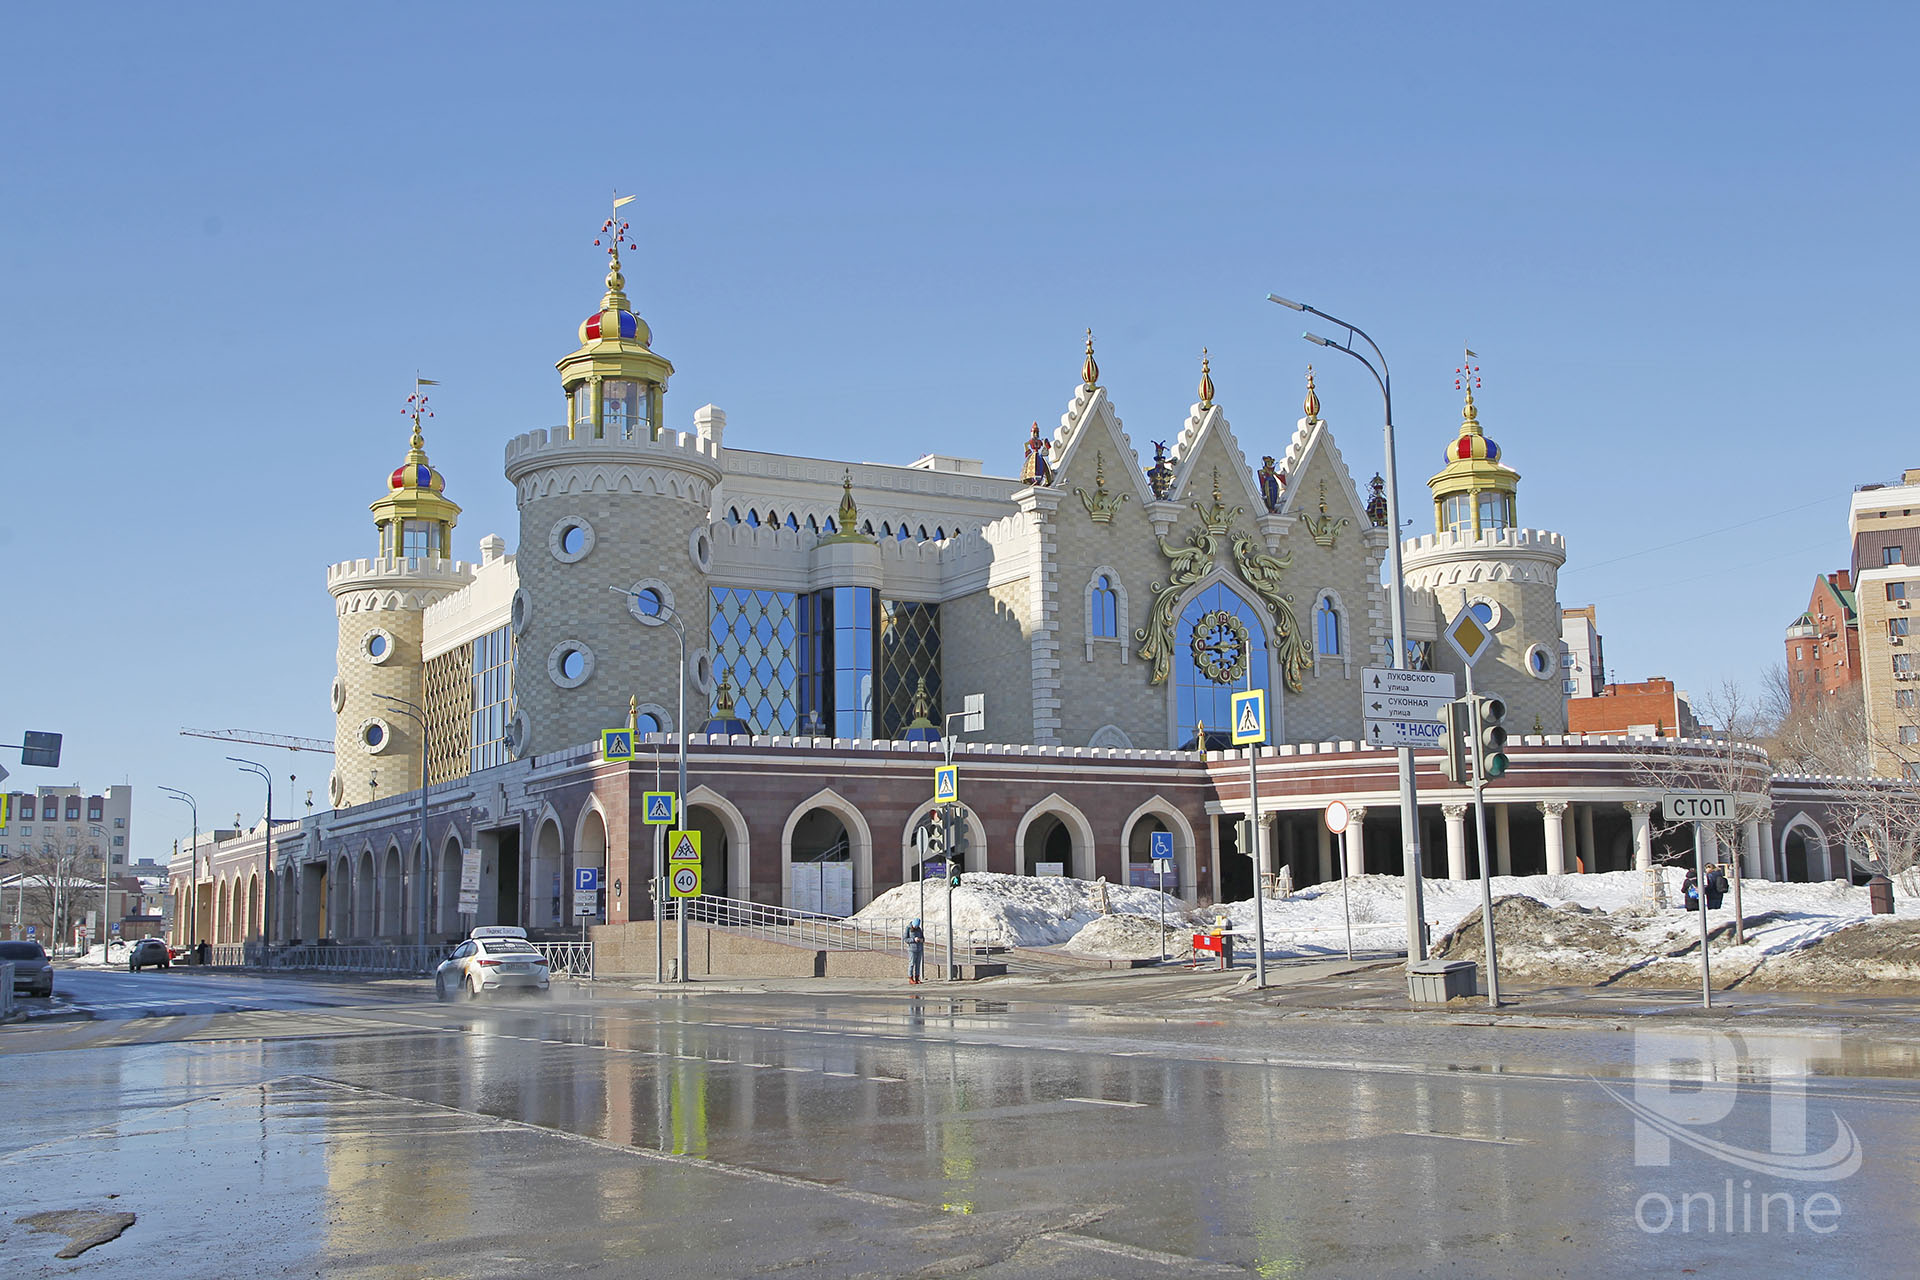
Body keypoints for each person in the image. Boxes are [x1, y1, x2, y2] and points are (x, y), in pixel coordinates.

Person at [904, 918, 924, 985]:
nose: (916, 927)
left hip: (919, 949)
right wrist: (913, 939)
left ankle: (917, 978)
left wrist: (921, 940)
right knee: (912, 964)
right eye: (915, 926)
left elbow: (923, 938)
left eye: (917, 926)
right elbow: (905, 939)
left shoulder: (919, 929)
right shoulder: (908, 928)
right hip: (912, 949)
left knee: (918, 964)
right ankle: (910, 978)